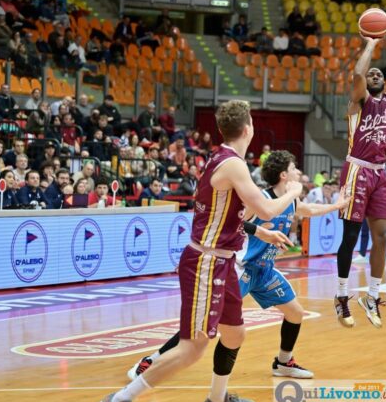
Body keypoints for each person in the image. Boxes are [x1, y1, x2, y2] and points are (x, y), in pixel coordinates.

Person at [97, 100, 302, 402]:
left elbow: (234, 214)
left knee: (234, 333)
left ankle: (217, 400)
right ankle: (119, 401)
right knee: (192, 348)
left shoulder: (223, 158)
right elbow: (266, 209)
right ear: (248, 128)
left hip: (223, 259)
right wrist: (293, 191)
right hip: (206, 262)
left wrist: (259, 232)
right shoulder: (233, 164)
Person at [126, 150, 350, 382]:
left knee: (295, 312)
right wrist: (260, 232)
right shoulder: (260, 198)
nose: (299, 172)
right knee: (202, 323)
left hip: (264, 270)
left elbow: (309, 210)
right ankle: (151, 360)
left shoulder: (290, 201)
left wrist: (338, 205)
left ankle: (283, 362)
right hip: (240, 269)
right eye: (294, 168)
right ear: (284, 175)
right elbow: (234, 222)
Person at [334, 17, 386, 329]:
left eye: (379, 73)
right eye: (372, 74)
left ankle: (372, 296)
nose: (375, 75)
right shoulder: (358, 102)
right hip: (357, 170)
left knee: (381, 236)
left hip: (379, 175)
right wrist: (371, 42)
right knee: (351, 236)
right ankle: (342, 295)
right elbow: (358, 74)